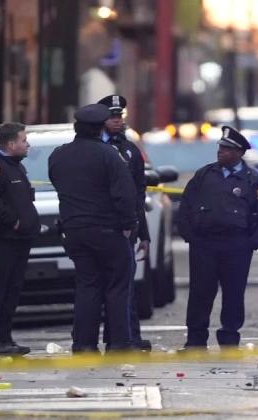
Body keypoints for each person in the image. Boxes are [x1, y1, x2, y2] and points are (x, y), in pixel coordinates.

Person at [48, 104, 138, 353]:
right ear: (100, 129)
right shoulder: (109, 155)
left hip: (75, 231)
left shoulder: (58, 155)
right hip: (108, 230)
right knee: (117, 287)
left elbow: (58, 184)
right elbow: (125, 195)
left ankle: (84, 344)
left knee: (88, 286)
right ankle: (119, 343)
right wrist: (129, 224)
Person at [177, 126, 258, 349]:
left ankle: (229, 339)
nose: (221, 152)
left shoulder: (252, 180)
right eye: (220, 147)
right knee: (200, 293)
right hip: (205, 244)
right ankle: (195, 340)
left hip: (237, 246)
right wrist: (189, 235)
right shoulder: (204, 175)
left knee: (233, 295)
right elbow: (186, 206)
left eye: (227, 149)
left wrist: (255, 242)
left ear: (239, 153)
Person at [0, 122, 40, 356]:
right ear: (11, 143)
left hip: (19, 240)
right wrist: (14, 221)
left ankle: (4, 338)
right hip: (1, 240)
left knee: (12, 290)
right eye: (23, 140)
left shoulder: (16, 167)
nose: (27, 144)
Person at [97, 94, 151, 351]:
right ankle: (110, 338)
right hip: (99, 226)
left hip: (125, 228)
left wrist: (144, 233)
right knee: (100, 287)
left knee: (125, 285)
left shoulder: (130, 150)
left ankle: (129, 337)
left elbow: (138, 195)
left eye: (120, 116)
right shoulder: (94, 146)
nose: (117, 121)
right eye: (112, 117)